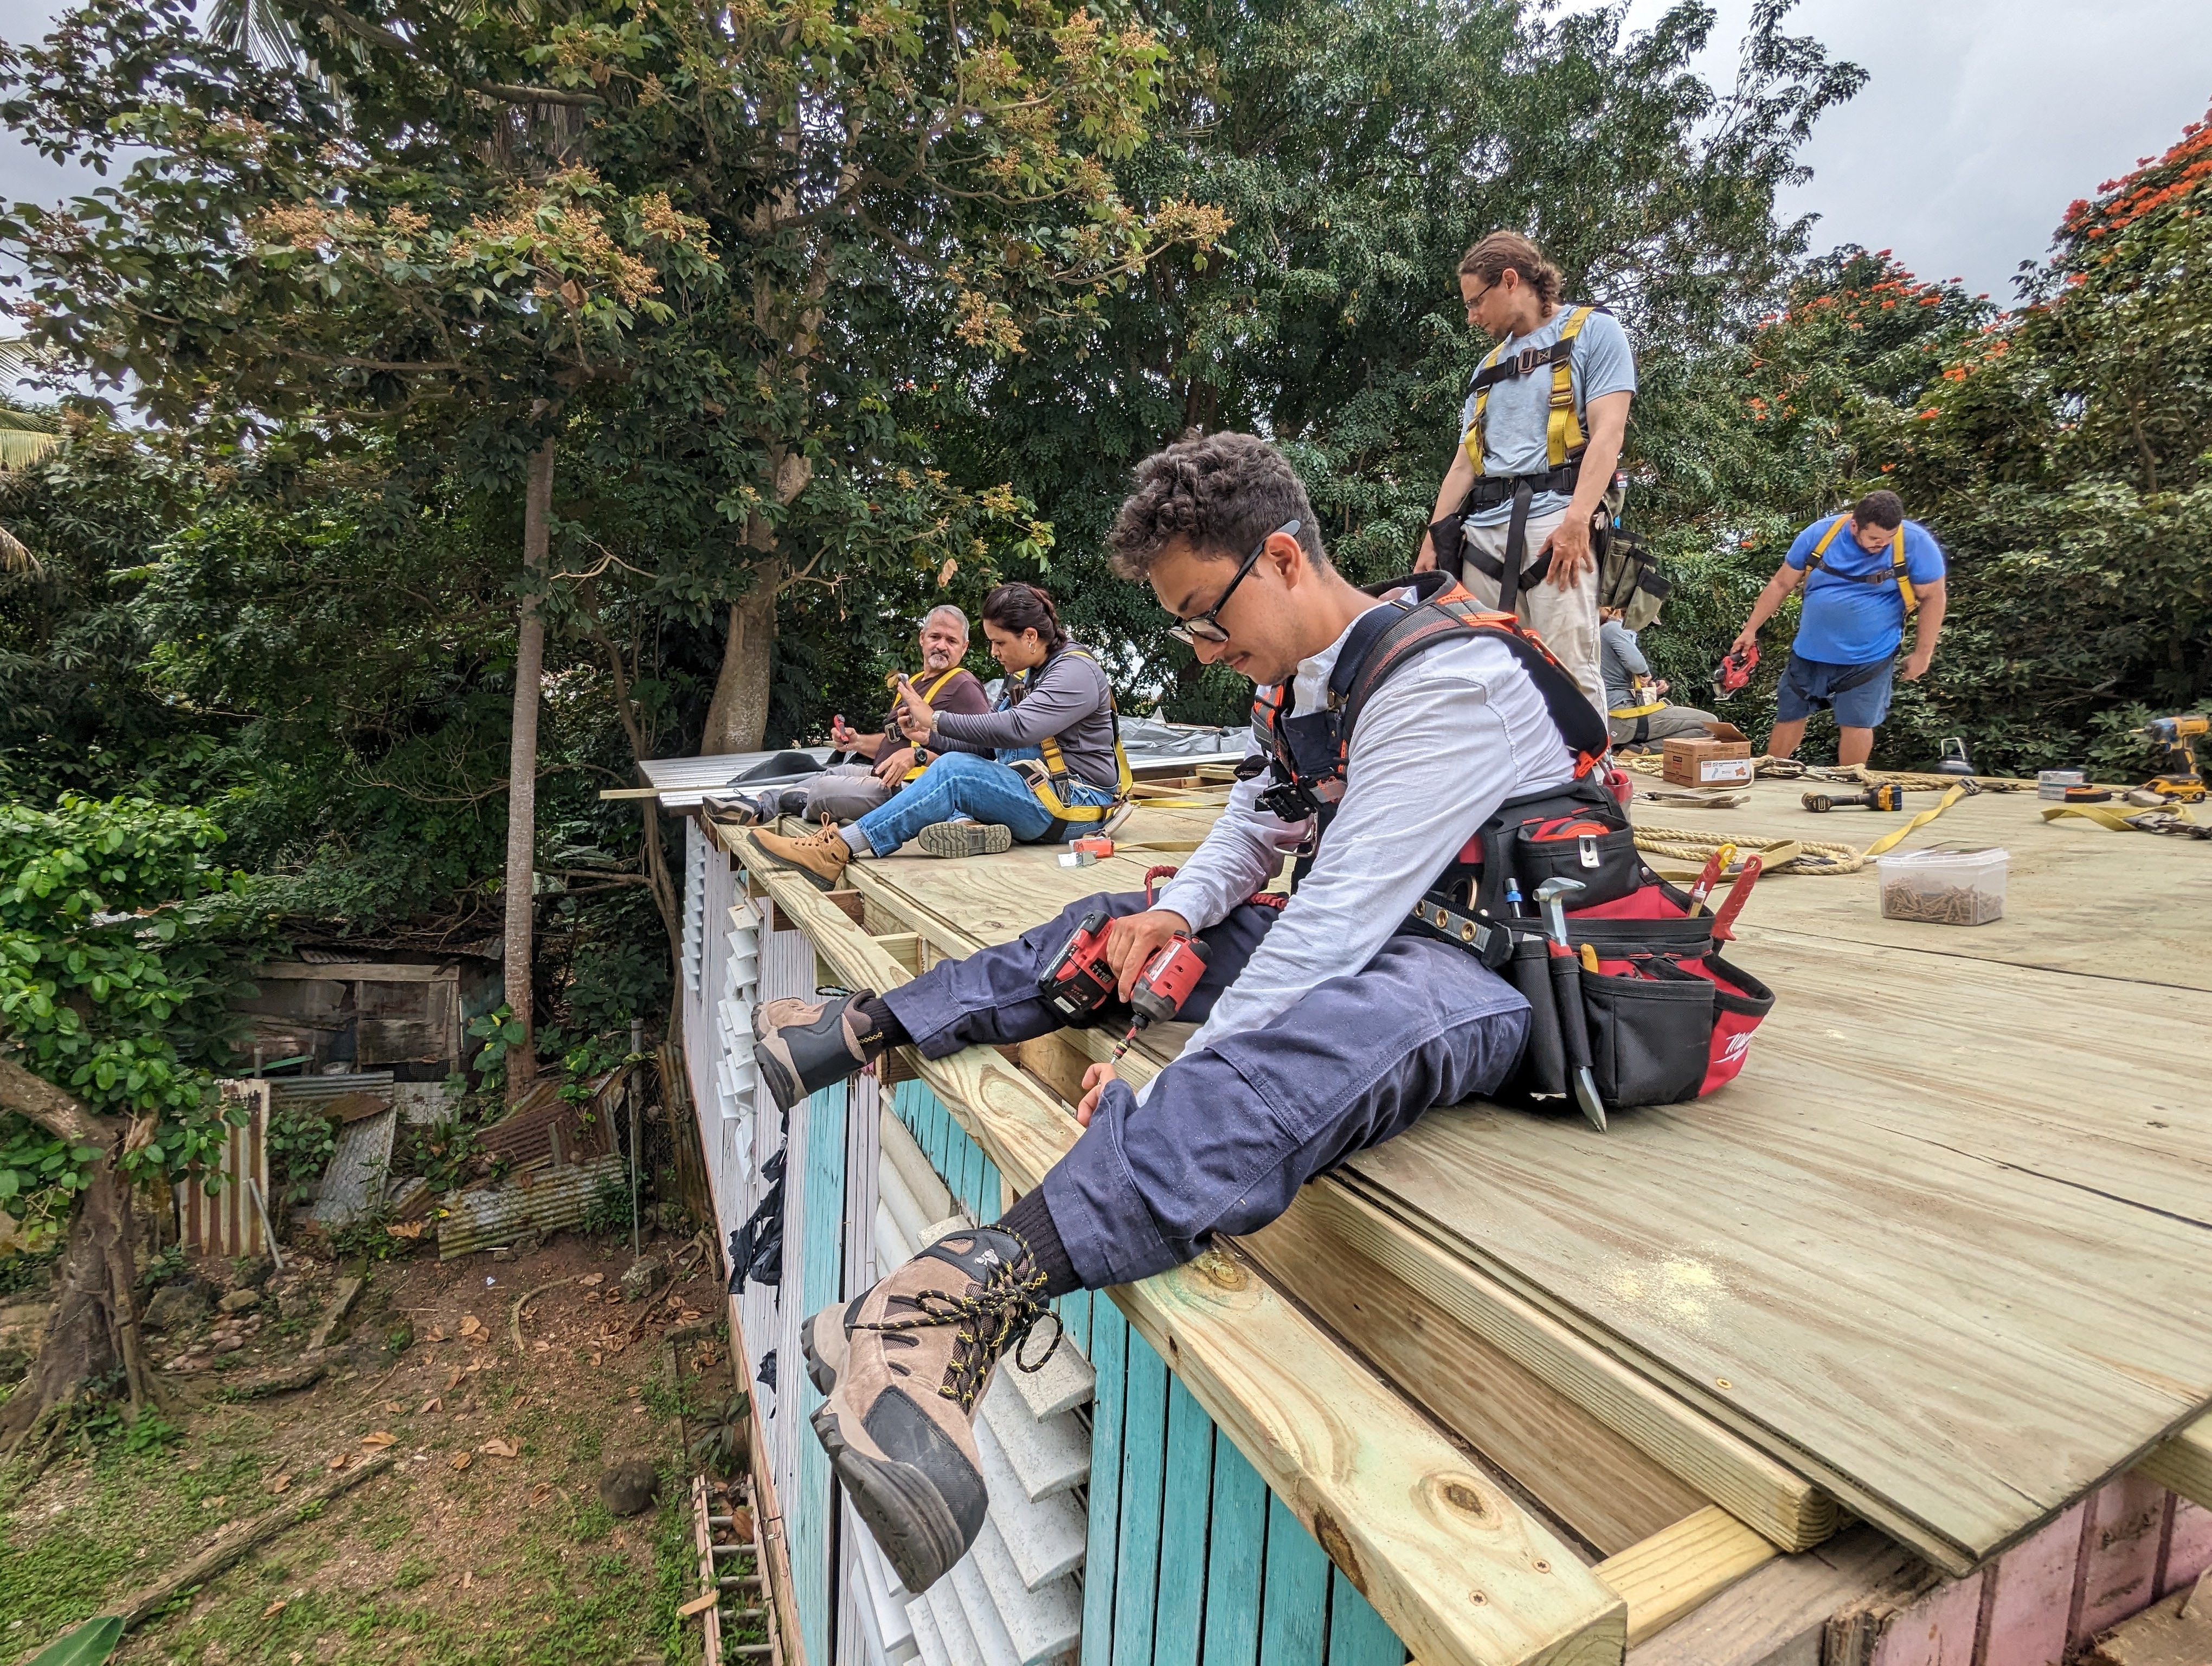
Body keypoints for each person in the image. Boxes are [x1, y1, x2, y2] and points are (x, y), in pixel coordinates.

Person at [747, 432, 1610, 1594]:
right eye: (1186, 631)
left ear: (1285, 559)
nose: (1205, 652)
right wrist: (1173, 918)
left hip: (1487, 971)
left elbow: (1335, 922)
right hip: (1386, 935)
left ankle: (964, 1292)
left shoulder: (1449, 682)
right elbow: (1257, 827)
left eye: (1208, 617)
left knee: (1323, 1035)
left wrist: (1175, 1072)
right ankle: (869, 1024)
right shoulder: (1306, 684)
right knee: (1111, 923)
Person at [749, 583, 1124, 878]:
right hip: (1039, 795)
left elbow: (1017, 729)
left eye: (999, 642)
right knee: (954, 768)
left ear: (1029, 635)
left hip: (1077, 806)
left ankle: (836, 850)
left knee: (953, 772)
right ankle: (965, 827)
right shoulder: (1028, 675)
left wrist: (936, 720)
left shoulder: (1074, 672)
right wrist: (930, 738)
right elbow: (989, 750)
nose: (994, 652)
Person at [1416, 230, 1636, 715]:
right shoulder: (1488, 368)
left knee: (1569, 671)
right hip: (1482, 537)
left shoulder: (1593, 332)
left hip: (1555, 527)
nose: (1472, 317)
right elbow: (1465, 462)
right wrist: (1434, 537)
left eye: (1476, 302)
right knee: (1485, 676)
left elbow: (1608, 434)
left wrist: (1578, 520)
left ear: (1510, 281)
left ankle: (1589, 767)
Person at [706, 606, 989, 826]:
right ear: (922, 638)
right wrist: (857, 742)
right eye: (935, 637)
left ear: (964, 647)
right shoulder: (913, 683)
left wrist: (922, 755)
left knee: (824, 789)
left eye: (951, 641)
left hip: (917, 788)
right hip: (881, 775)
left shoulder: (964, 685)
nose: (941, 646)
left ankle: (802, 802)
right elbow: (895, 742)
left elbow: (984, 753)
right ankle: (754, 807)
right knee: (830, 773)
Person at [1728, 490, 1948, 767]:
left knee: (1858, 722)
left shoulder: (1915, 543)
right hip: (1810, 651)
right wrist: (1750, 630)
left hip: (1869, 656)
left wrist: (1923, 654)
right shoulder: (1821, 534)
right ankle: (1772, 772)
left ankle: (1850, 782)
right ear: (1855, 525)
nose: (1882, 544)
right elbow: (1780, 584)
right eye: (1874, 538)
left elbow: (1934, 597)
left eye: (1889, 537)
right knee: (1790, 715)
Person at [1600, 607, 1716, 748]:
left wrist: (1652, 684)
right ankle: (1639, 750)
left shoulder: (1601, 633)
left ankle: (1631, 747)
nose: (1644, 627)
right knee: (1710, 724)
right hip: (1621, 715)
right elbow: (1637, 664)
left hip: (1614, 714)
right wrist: (1646, 675)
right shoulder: (1613, 628)